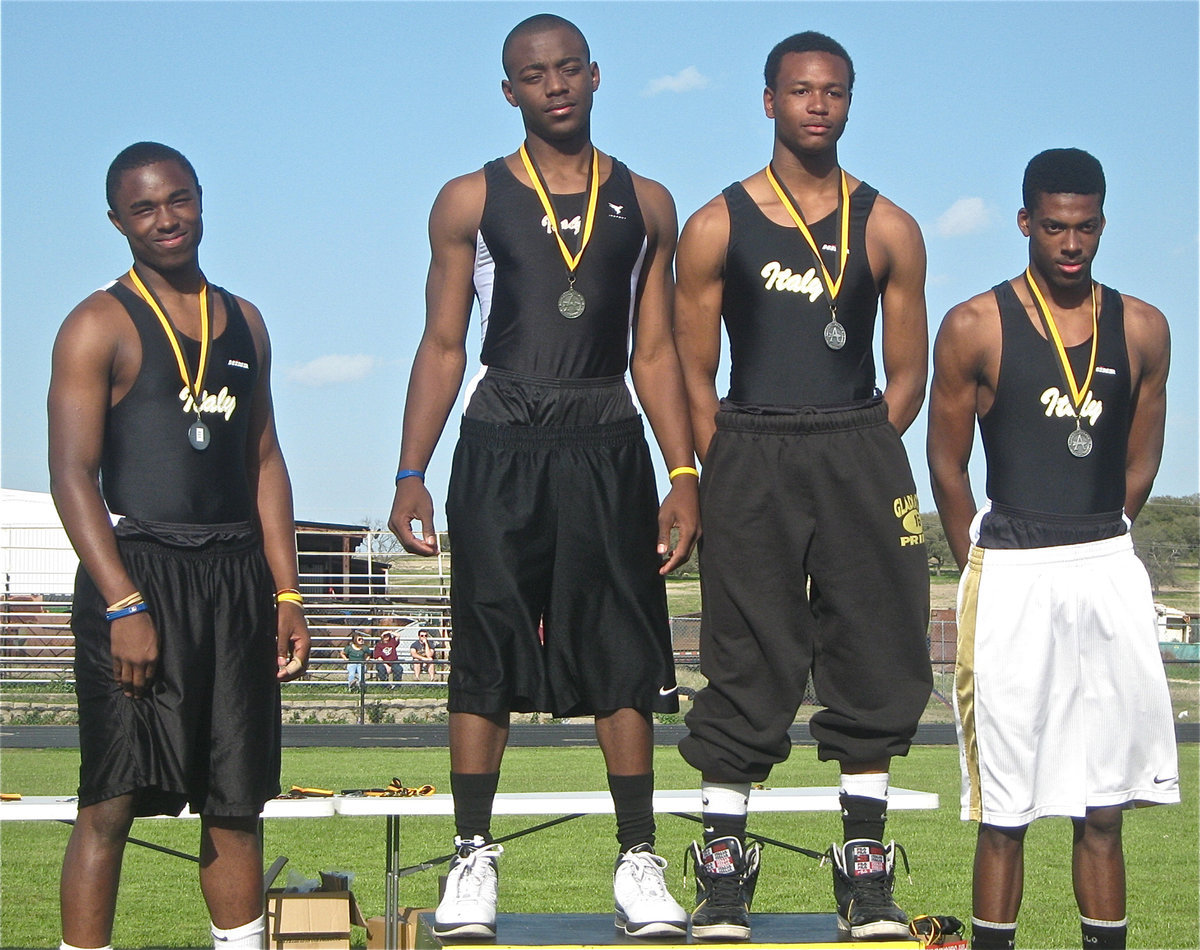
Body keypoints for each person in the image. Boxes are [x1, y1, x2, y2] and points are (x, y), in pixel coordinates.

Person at [387, 13, 698, 940]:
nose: (554, 85)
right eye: (534, 73)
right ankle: (473, 857)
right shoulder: (468, 200)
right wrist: (411, 470)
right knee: (485, 646)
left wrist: (682, 471)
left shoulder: (647, 203)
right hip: (502, 438)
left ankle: (638, 859)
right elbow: (444, 344)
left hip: (607, 438)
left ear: (596, 77)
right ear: (509, 89)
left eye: (569, 69)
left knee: (621, 651)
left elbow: (655, 348)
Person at [673, 32, 932, 941]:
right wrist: (733, 455)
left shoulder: (890, 225)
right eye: (798, 91)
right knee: (747, 652)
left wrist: (854, 448)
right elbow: (690, 369)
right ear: (769, 100)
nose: (815, 105)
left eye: (832, 92)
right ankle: (721, 873)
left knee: (874, 648)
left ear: (850, 103)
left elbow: (908, 375)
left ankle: (864, 872)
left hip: (856, 443)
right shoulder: (717, 223)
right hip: (753, 445)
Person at [47, 142, 309, 950]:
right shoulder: (98, 323)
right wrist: (124, 602)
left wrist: (287, 592)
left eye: (180, 200)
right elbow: (72, 474)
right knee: (112, 800)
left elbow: (264, 458)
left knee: (235, 800)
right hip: (142, 575)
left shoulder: (247, 321)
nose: (167, 220)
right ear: (117, 220)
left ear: (200, 200)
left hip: (236, 578)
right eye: (145, 208)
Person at [927, 148, 1179, 950]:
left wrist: (1102, 538)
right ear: (1026, 223)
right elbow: (946, 459)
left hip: (1106, 564)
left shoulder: (1142, 325)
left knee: (1104, 805)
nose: (1072, 245)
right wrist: (982, 553)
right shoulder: (974, 323)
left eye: (1088, 228)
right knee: (1006, 810)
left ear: (1103, 223)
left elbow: (1141, 457)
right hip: (1012, 572)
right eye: (1056, 228)